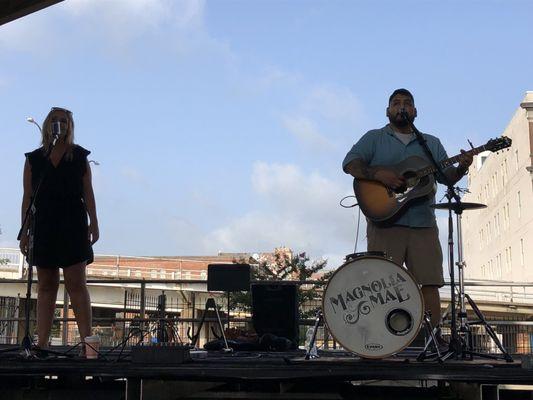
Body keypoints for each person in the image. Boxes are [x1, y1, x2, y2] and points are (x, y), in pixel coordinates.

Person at [342, 89, 472, 341]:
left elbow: (447, 178)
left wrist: (463, 166)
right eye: (396, 103)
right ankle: (380, 339)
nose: (401, 107)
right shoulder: (374, 138)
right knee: (380, 284)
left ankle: (431, 340)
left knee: (430, 282)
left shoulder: (431, 143)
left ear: (415, 111)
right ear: (388, 110)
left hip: (423, 223)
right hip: (385, 223)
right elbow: (350, 164)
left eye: (407, 103)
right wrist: (377, 174)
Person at [19, 107, 99, 355]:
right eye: (55, 120)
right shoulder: (34, 159)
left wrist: (93, 221)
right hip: (44, 223)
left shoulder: (79, 156)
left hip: (73, 223)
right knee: (46, 284)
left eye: (64, 121)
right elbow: (28, 196)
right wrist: (25, 229)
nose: (59, 124)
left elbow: (88, 191)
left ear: (70, 126)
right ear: (47, 125)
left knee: (76, 283)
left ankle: (88, 343)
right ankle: (41, 342)